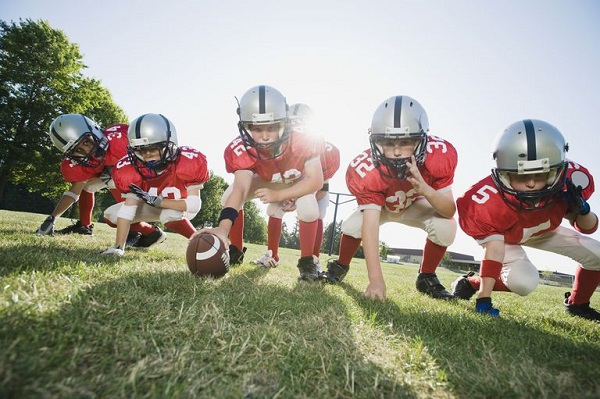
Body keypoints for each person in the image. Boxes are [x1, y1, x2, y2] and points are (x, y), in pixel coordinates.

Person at [453, 119, 600, 320]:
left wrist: (583, 210)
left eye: (540, 174)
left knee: (597, 255)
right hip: (506, 237)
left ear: (554, 172)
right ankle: (471, 283)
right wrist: (483, 298)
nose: (531, 183)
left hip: (543, 230)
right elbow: (494, 249)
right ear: (504, 174)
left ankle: (578, 304)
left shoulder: (571, 181)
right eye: (521, 176)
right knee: (524, 282)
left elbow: (588, 228)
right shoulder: (485, 200)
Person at [321, 95, 458, 301]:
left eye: (405, 142)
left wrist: (426, 189)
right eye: (388, 142)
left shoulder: (438, 156)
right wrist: (376, 280)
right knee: (351, 227)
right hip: (382, 206)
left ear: (421, 140)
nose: (395, 151)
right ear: (375, 141)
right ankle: (340, 265)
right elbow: (370, 227)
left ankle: (426, 276)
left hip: (415, 203)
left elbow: (448, 210)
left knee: (446, 227)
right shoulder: (366, 170)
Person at [197, 85, 325, 281]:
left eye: (272, 127)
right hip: (266, 179)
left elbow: (316, 180)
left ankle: (308, 262)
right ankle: (235, 249)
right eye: (257, 129)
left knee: (308, 206)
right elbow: (240, 189)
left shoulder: (303, 139)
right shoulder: (240, 148)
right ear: (246, 127)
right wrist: (223, 229)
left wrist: (279, 196)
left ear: (285, 123)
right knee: (227, 197)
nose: (265, 136)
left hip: (296, 182)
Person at [36, 114, 160, 247]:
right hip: (113, 172)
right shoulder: (83, 160)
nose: (87, 151)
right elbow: (74, 192)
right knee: (87, 185)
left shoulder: (120, 140)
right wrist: (52, 218)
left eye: (86, 142)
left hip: (142, 180)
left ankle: (149, 231)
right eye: (78, 150)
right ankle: (84, 226)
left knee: (113, 180)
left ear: (94, 131)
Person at [102, 113, 209, 256]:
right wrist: (118, 247)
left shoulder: (187, 162)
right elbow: (127, 210)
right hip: (152, 205)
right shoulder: (131, 169)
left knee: (169, 214)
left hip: (181, 208)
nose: (146, 155)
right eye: (140, 150)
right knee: (111, 215)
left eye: (152, 149)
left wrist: (160, 202)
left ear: (168, 143)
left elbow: (194, 204)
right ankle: (151, 234)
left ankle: (200, 241)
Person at [251, 103, 341, 270]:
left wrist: (296, 198)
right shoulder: (277, 144)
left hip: (312, 190)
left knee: (314, 210)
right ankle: (272, 255)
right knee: (273, 210)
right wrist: (287, 196)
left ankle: (312, 260)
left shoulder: (322, 148)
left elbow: (321, 189)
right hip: (288, 185)